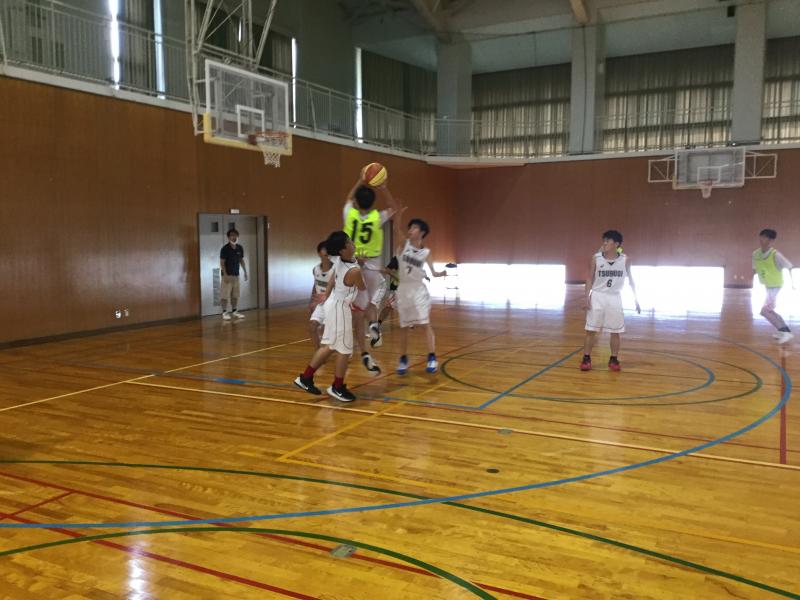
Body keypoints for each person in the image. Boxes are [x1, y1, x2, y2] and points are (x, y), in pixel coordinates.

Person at [294, 231, 365, 402]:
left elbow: (332, 277)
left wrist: (326, 294)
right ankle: (337, 387)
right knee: (344, 349)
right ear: (343, 250)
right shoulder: (354, 270)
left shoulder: (339, 260)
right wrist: (361, 266)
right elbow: (362, 287)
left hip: (333, 303)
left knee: (330, 345)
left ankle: (305, 378)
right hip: (339, 308)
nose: (353, 243)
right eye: (349, 242)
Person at [343, 176, 400, 373]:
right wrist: (384, 188)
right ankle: (374, 325)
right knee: (370, 304)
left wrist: (360, 180)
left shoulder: (349, 214)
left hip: (353, 266)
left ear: (357, 202)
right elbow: (394, 208)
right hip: (373, 267)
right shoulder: (377, 217)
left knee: (358, 310)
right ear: (372, 203)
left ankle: (362, 349)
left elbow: (348, 198)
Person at [581, 230, 640, 371]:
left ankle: (613, 359)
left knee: (615, 331)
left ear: (616, 244)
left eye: (608, 241)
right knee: (591, 330)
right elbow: (589, 278)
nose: (604, 243)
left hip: (615, 297)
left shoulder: (625, 260)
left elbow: (631, 280)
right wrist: (586, 298)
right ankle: (586, 358)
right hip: (598, 296)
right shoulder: (596, 258)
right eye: (604, 241)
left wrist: (636, 300)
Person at [394, 218, 447, 375]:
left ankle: (432, 357)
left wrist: (440, 273)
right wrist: (398, 216)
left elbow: (433, 272)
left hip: (418, 290)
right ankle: (403, 359)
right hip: (403, 291)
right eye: (410, 228)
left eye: (414, 228)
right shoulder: (404, 245)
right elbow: (397, 230)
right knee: (404, 327)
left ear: (422, 232)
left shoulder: (426, 253)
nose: (410, 230)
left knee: (425, 323)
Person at [753, 229, 794, 344]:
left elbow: (789, 266)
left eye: (765, 237)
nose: (762, 239)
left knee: (765, 311)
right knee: (770, 310)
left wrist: (793, 283)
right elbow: (755, 268)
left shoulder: (776, 255)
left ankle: (785, 332)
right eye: (761, 236)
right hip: (768, 286)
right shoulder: (756, 254)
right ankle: (785, 331)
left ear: (771, 241)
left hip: (775, 286)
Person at [308, 240, 333, 349]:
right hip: (321, 304)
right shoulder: (316, 269)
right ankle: (318, 352)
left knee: (329, 331)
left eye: (329, 250)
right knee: (312, 325)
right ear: (319, 253)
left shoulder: (336, 270)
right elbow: (315, 285)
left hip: (334, 304)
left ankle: (343, 351)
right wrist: (312, 301)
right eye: (324, 249)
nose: (327, 252)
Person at [219, 228, 248, 321]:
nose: (234, 237)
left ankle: (235, 311)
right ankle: (224, 312)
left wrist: (245, 272)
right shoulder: (225, 249)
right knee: (225, 295)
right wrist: (225, 275)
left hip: (236, 275)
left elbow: (241, 260)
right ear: (228, 237)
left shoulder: (240, 248)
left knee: (235, 295)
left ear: (237, 236)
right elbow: (222, 262)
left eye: (235, 235)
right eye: (232, 235)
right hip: (227, 276)